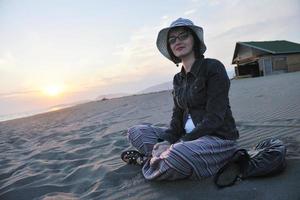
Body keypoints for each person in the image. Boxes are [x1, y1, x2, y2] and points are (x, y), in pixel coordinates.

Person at [121, 18, 239, 180]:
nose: (178, 41)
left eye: (183, 36)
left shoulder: (213, 67)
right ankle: (162, 159)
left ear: (194, 40)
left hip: (216, 138)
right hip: (183, 138)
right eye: (172, 39)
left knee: (177, 154)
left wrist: (177, 144)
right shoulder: (178, 79)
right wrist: (167, 140)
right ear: (170, 48)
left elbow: (215, 118)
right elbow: (176, 118)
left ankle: (147, 161)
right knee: (136, 132)